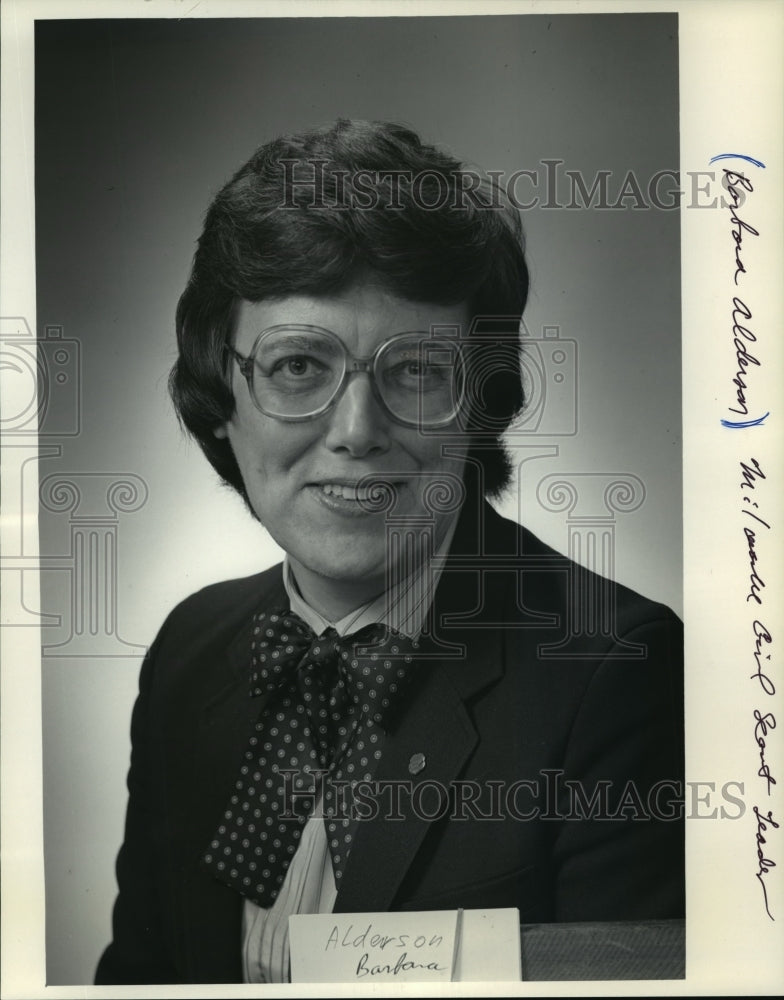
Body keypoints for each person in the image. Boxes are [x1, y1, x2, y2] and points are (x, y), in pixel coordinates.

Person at [95, 119, 684, 985]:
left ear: (479, 400)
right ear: (222, 393)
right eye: (299, 366)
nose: (358, 432)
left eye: (416, 370)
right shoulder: (191, 649)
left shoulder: (617, 675)